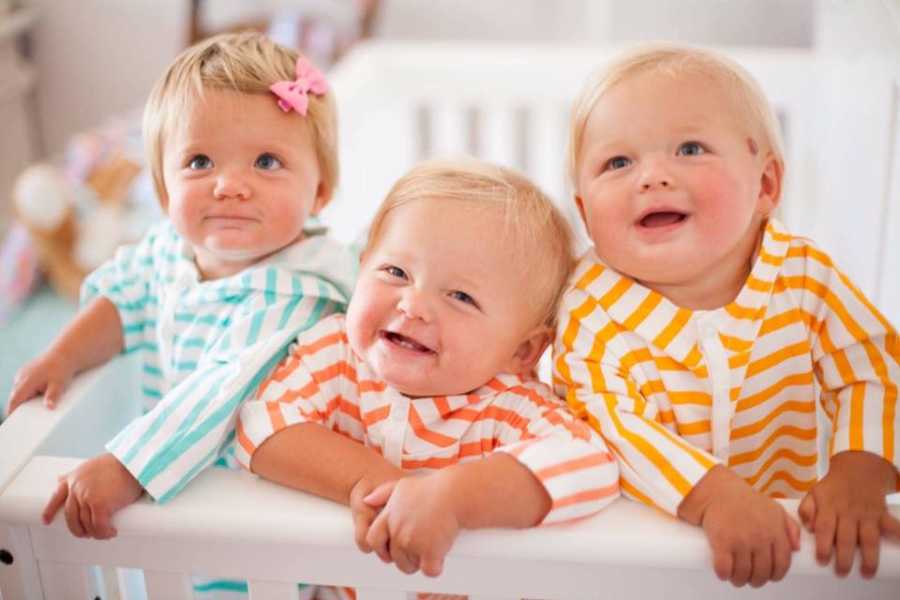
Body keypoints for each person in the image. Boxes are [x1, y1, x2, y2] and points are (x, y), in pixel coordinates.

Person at [554, 43, 900, 588]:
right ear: (584, 213)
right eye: (617, 162)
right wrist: (715, 497)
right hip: (646, 560)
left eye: (690, 149)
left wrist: (860, 468)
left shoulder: (801, 275)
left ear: (765, 186)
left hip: (797, 547)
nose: (651, 177)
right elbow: (610, 425)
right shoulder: (589, 312)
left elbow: (871, 366)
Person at [7, 32, 355, 543]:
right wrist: (63, 356)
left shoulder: (301, 291)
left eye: (266, 162)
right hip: (174, 489)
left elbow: (221, 389)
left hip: (262, 518)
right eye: (199, 162)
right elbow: (126, 296)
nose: (228, 185)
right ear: (163, 187)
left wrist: (126, 467)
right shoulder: (171, 249)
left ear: (320, 190)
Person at [237, 159, 619, 592]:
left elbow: (590, 463)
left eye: (460, 296)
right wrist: (369, 480)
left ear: (523, 351)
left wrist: (453, 498)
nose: (412, 304)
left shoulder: (510, 406)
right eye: (395, 272)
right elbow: (262, 421)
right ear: (360, 269)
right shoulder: (336, 356)